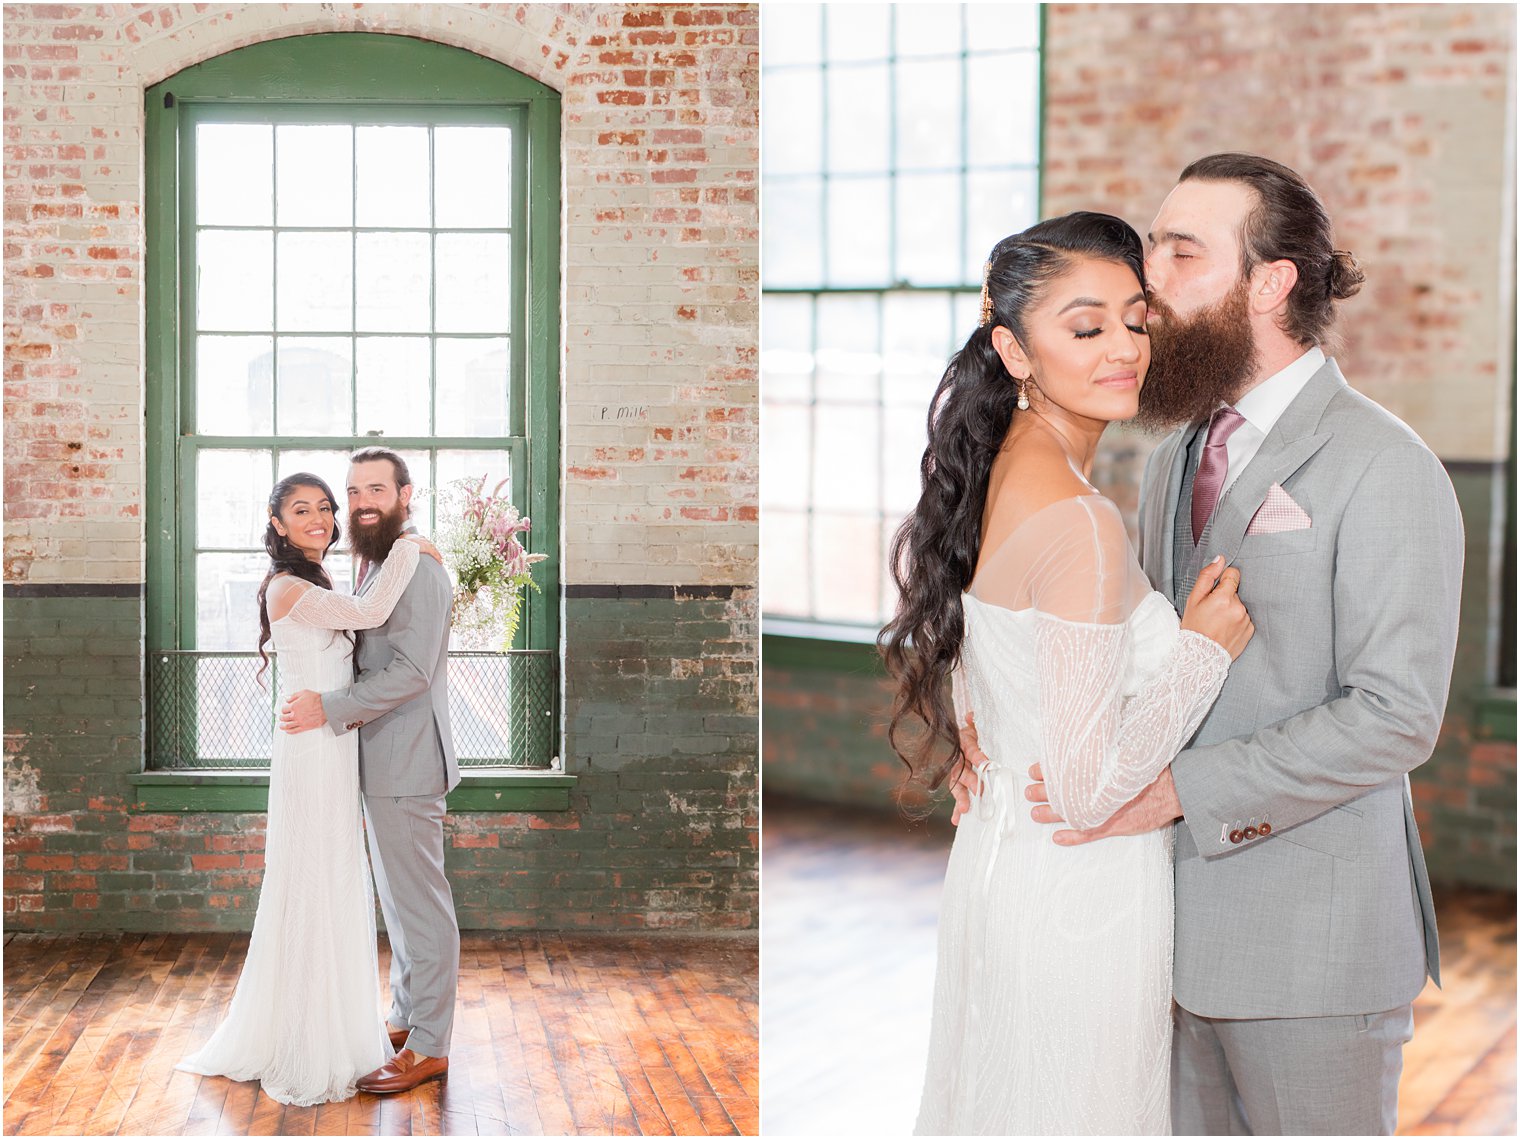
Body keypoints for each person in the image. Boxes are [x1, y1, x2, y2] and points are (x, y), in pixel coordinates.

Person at [961, 154, 1464, 1135]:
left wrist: (1179, 789)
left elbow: (1396, 714)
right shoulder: (1169, 454)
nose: (1147, 278)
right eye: (1151, 244)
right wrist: (981, 710)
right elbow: (1099, 646)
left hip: (1306, 955)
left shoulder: (1384, 465)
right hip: (1150, 936)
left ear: (1267, 282)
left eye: (1179, 251)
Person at [880, 211, 1254, 1135]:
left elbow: (992, 682)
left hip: (1001, 877)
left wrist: (986, 748)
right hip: (1079, 901)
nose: (1125, 347)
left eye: (1135, 319)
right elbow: (1086, 789)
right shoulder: (1081, 520)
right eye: (1086, 328)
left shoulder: (994, 472)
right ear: (1013, 348)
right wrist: (1205, 649)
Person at [176, 473, 438, 1105]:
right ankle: (302, 1036)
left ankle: (334, 1022)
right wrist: (412, 546)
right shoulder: (290, 588)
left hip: (332, 746)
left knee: (334, 878)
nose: (321, 518)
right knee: (312, 879)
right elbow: (372, 614)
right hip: (312, 752)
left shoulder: (318, 582)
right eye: (303, 511)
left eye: (326, 507)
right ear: (278, 525)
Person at [278, 446, 462, 1095]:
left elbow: (412, 672)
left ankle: (431, 1044)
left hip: (408, 761)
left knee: (421, 907)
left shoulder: (420, 568)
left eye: (375, 489)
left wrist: (329, 706)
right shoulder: (381, 564)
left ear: (405, 494)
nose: (361, 502)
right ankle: (409, 1018)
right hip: (378, 760)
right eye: (354, 490)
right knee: (401, 906)